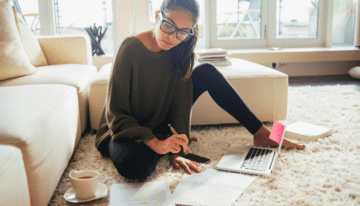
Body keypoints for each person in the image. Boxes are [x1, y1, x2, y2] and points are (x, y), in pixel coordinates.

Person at [95, 0, 305, 180]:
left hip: (161, 119)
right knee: (136, 168)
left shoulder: (180, 48)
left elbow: (180, 101)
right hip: (125, 129)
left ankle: (262, 133)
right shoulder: (130, 48)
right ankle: (161, 139)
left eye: (183, 32)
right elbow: (117, 114)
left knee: (206, 72)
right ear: (158, 15)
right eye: (168, 25)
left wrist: (178, 148)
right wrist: (156, 143)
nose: (172, 37)